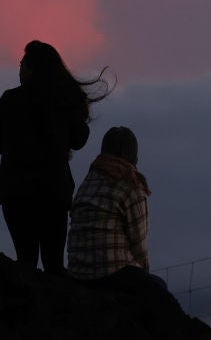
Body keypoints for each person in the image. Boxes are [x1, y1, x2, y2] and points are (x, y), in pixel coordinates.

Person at [0, 41, 109, 273]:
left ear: (32, 69)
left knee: (25, 261)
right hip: (53, 193)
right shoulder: (64, 102)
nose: (19, 69)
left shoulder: (10, 99)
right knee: (54, 264)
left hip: (16, 193)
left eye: (22, 64)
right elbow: (79, 139)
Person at [67, 126, 175, 304]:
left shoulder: (88, 182)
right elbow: (138, 244)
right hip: (109, 273)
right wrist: (144, 276)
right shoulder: (130, 184)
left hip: (78, 272)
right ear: (134, 156)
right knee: (162, 294)